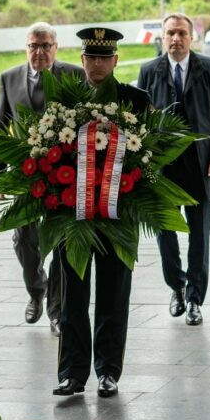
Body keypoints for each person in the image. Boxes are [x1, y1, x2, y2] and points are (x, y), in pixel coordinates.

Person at [53, 27, 150, 399]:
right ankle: (73, 374)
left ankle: (108, 371)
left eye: (103, 57)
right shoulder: (63, 101)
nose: (97, 64)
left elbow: (151, 155)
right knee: (73, 297)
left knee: (113, 294)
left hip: (116, 214)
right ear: (81, 60)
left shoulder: (136, 101)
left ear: (115, 60)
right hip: (72, 215)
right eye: (90, 57)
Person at [137, 13, 210, 327]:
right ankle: (176, 286)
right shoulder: (149, 71)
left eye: (181, 33)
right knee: (165, 233)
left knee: (199, 236)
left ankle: (194, 299)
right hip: (163, 169)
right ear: (162, 38)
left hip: (201, 167)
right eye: (169, 34)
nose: (175, 39)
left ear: (192, 37)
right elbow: (139, 120)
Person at [0, 21, 84, 336]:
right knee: (23, 240)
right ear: (26, 47)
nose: (40, 51)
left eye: (46, 45)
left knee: (60, 244)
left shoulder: (73, 74)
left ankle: (56, 311)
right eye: (34, 45)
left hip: (64, 176)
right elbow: (0, 129)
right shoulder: (9, 79)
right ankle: (36, 289)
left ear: (55, 48)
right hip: (25, 177)